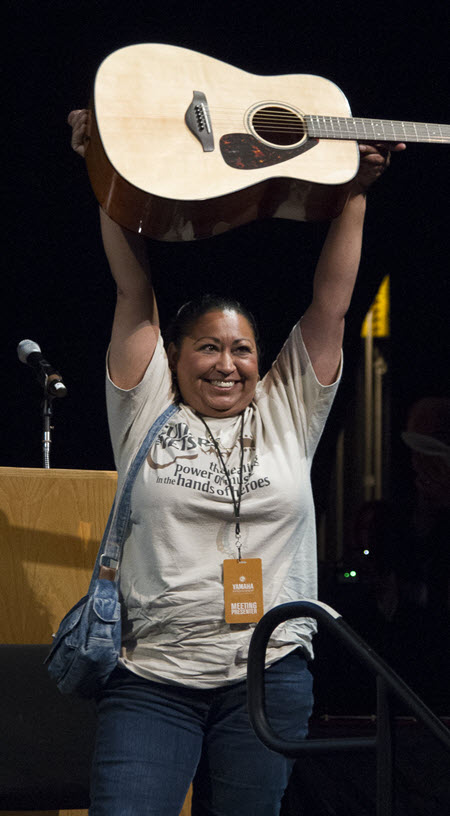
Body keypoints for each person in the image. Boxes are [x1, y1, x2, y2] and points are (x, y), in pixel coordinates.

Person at [68, 108, 404, 816]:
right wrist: (107, 171)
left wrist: (355, 194)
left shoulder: (285, 414)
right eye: (209, 348)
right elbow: (135, 293)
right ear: (177, 358)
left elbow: (330, 306)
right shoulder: (148, 406)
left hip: (268, 675)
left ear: (262, 362)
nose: (227, 364)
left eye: (242, 349)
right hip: (152, 679)